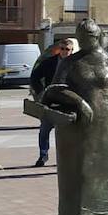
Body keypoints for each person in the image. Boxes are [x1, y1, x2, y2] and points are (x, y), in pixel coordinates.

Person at [30, 38, 78, 167]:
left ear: (72, 50)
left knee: (70, 132)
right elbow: (35, 77)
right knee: (44, 129)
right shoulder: (49, 62)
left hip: (69, 102)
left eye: (67, 49)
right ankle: (43, 155)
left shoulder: (76, 64)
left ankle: (68, 157)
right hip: (50, 101)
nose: (64, 51)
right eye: (62, 49)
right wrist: (41, 92)